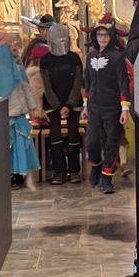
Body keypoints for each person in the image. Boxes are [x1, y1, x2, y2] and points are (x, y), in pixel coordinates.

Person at [0, 34, 40, 190]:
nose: (14, 47)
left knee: (20, 143)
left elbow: (26, 87)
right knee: (7, 144)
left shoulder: (19, 66)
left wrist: (32, 107)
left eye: (15, 44)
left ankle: (18, 173)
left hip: (19, 114)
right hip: (5, 115)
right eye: (10, 45)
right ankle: (6, 173)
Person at [81, 17, 130, 194]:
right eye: (99, 34)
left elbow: (123, 83)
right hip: (94, 107)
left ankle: (107, 178)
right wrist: (85, 106)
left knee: (111, 142)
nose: (102, 38)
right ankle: (96, 166)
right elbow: (87, 83)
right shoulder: (90, 57)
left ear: (111, 36)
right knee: (92, 143)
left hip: (112, 108)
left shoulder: (117, 57)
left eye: (106, 34)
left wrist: (125, 109)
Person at [39, 22, 84, 184]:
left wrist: (69, 105)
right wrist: (58, 106)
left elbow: (77, 83)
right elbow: (47, 87)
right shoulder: (45, 60)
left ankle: (74, 171)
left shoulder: (74, 58)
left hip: (73, 103)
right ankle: (60, 172)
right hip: (52, 104)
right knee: (55, 137)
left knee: (73, 135)